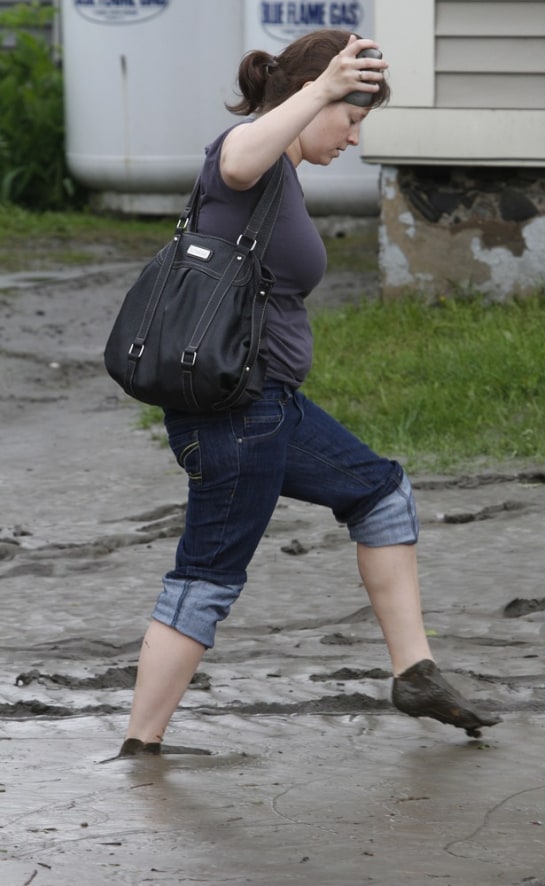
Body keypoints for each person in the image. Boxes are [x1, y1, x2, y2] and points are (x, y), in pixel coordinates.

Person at [114, 29, 501, 759]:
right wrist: (322, 89)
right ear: (306, 96)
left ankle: (416, 673)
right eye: (350, 119)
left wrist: (326, 99)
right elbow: (233, 159)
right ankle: (141, 746)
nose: (354, 136)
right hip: (235, 419)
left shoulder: (282, 177)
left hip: (272, 411)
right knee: (207, 574)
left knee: (383, 493)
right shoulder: (248, 157)